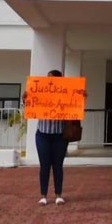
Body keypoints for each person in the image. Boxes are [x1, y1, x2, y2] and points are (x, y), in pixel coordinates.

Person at [36, 69, 78, 206]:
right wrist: (26, 98)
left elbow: (75, 107)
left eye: (52, 78)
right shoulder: (41, 93)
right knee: (44, 165)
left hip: (59, 135)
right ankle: (43, 195)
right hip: (43, 134)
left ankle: (58, 195)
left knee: (58, 165)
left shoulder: (65, 94)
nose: (49, 81)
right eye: (48, 78)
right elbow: (31, 105)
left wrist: (80, 97)